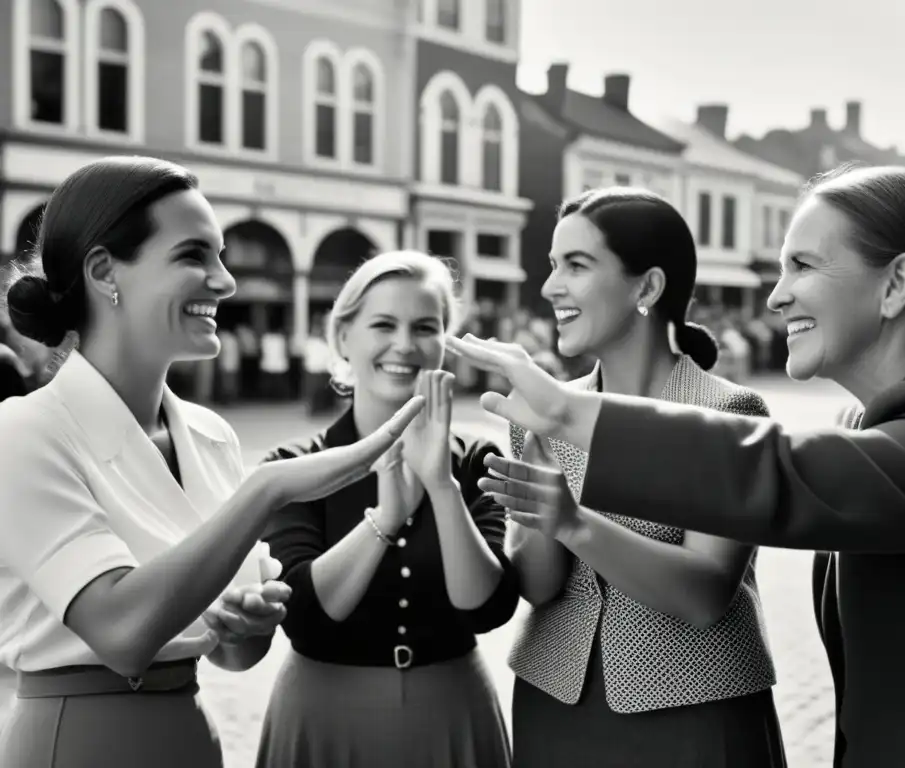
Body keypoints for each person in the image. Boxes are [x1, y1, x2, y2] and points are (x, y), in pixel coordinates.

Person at [451, 165, 905, 768]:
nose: (776, 296)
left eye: (802, 266)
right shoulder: (877, 422)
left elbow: (776, 478)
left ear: (897, 283)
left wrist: (568, 414)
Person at [0, 156, 423, 768]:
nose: (225, 281)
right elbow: (122, 634)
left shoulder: (211, 435)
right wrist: (268, 490)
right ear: (103, 271)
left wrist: (245, 625)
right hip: (79, 740)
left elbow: (231, 657)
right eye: (194, 255)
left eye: (221, 256)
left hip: (192, 734)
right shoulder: (24, 430)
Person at [498, 188, 784, 768]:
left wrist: (573, 523)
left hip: (697, 713)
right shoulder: (542, 410)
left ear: (647, 288)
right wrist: (536, 457)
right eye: (553, 265)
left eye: (576, 266)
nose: (551, 287)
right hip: (556, 708)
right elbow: (539, 585)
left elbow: (704, 594)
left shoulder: (728, 414)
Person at [252, 250, 520, 768]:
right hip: (323, 717)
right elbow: (304, 613)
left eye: (425, 326)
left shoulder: (476, 459)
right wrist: (385, 519)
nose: (404, 344)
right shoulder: (292, 465)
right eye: (383, 324)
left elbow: (487, 608)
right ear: (342, 338)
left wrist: (441, 486)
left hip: (451, 711)